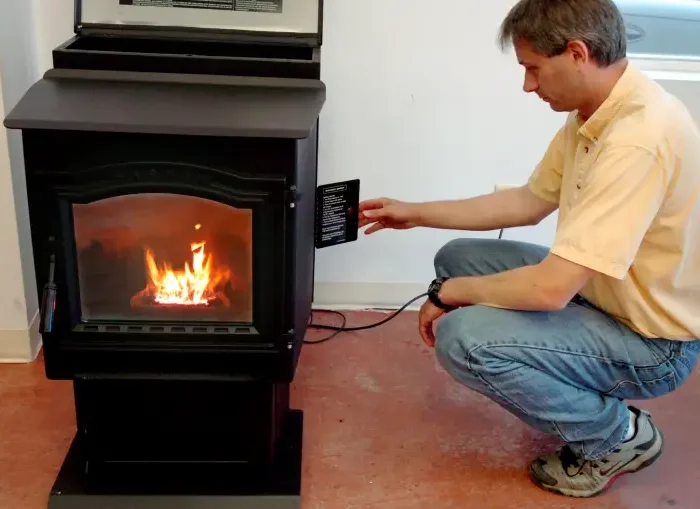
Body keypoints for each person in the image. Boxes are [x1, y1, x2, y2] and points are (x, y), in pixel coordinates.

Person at [358, 0, 700, 498]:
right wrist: (412, 213)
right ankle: (570, 382)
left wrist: (447, 294)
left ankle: (615, 436)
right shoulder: (596, 112)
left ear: (578, 53)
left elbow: (551, 288)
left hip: (653, 343)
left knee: (463, 337)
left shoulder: (638, 139)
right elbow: (529, 201)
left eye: (533, 69)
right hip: (604, 295)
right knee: (457, 256)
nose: (528, 86)